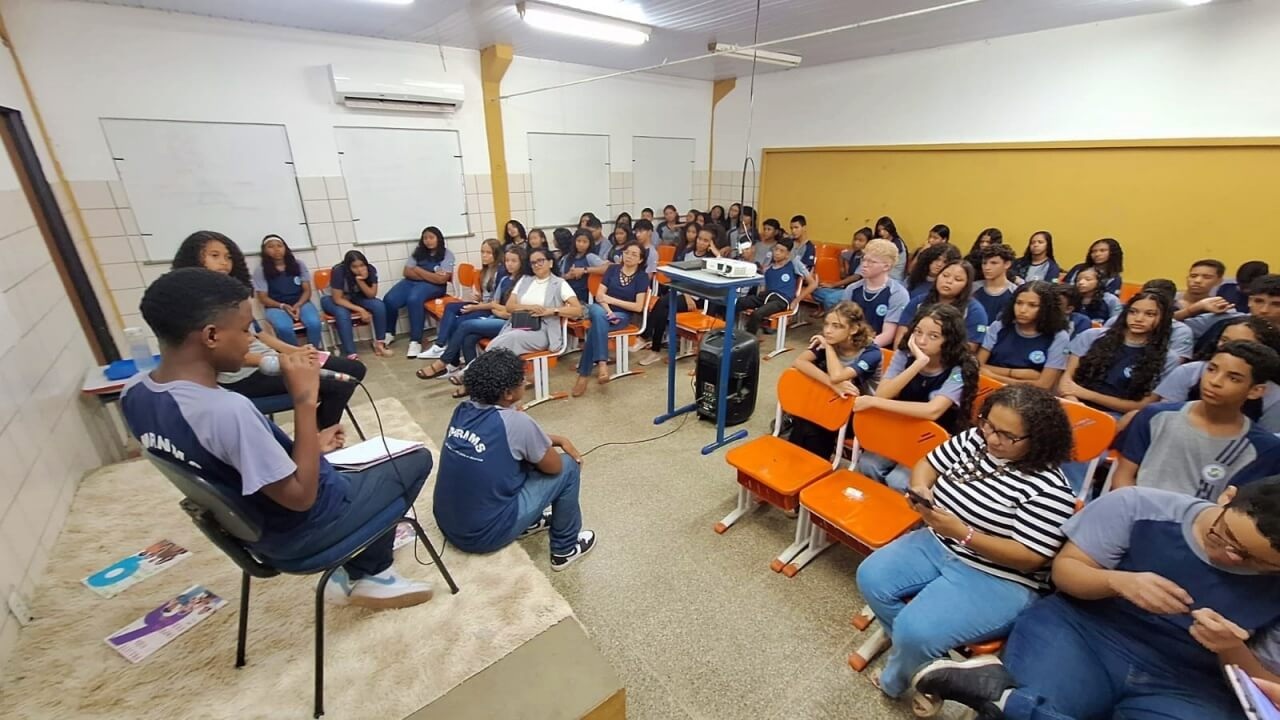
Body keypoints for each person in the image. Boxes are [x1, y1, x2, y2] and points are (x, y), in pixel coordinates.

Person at [123, 268, 433, 608]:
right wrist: (304, 401)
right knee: (413, 459)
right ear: (211, 336)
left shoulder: (134, 392)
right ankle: (372, 574)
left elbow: (227, 462)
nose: (250, 341)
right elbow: (301, 497)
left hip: (253, 529)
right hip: (303, 531)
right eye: (244, 330)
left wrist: (312, 442)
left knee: (360, 464)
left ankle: (360, 565)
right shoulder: (226, 410)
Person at [914, 479, 1280, 720]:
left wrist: (1232, 649)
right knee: (1053, 695)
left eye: (1254, 560)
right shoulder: (1140, 506)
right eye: (1225, 536)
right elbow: (1065, 572)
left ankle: (1009, 701)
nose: (1230, 558)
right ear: (1226, 497)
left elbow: (1268, 688)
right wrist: (1116, 581)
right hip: (1083, 634)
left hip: (1188, 680)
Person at [856, 385, 1076, 706]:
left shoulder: (1051, 488)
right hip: (939, 541)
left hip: (999, 576)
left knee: (913, 630)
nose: (992, 439)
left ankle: (901, 678)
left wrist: (964, 533)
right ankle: (925, 660)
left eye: (1008, 436)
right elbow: (927, 464)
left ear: (1038, 440)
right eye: (988, 424)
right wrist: (920, 488)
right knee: (870, 578)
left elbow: (1030, 558)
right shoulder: (975, 439)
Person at [171, 231, 365, 445]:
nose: (224, 263)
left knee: (356, 369)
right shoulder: (196, 305)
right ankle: (317, 439)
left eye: (227, 257)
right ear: (194, 260)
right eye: (214, 256)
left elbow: (260, 335)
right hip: (245, 375)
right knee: (340, 385)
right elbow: (220, 356)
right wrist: (276, 362)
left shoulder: (233, 296)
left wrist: (295, 351)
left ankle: (321, 423)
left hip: (272, 359)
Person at [434, 349, 596, 571]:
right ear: (509, 393)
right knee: (568, 466)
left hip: (449, 524)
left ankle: (527, 522)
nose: (526, 382)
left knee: (518, 460)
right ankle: (565, 549)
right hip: (483, 535)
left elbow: (506, 445)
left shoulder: (462, 410)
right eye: (522, 380)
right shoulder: (517, 422)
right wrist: (552, 440)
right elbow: (554, 467)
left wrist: (555, 439)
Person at [1113, 341, 1280, 498]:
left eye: (1233, 378)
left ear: (1256, 391)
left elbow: (1239, 510)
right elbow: (1123, 476)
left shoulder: (1264, 448)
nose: (1214, 382)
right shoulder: (1155, 416)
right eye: (1212, 369)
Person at [852, 304, 979, 490]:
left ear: (950, 339)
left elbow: (932, 411)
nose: (921, 341)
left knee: (899, 480)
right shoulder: (905, 354)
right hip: (901, 428)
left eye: (933, 336)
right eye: (918, 332)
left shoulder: (961, 367)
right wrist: (917, 364)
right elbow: (883, 394)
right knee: (868, 464)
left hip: (935, 438)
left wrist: (874, 401)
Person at [446, 246, 584, 400]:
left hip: (542, 331)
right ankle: (477, 383)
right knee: (502, 347)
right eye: (533, 262)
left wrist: (552, 311)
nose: (537, 265)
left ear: (550, 263)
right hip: (518, 324)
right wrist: (527, 307)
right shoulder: (525, 280)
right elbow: (510, 307)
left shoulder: (559, 283)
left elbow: (577, 310)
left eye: (541, 261)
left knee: (507, 341)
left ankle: (469, 375)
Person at [786, 302, 882, 459]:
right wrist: (831, 384)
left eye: (837, 326)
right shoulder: (831, 340)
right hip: (832, 402)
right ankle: (796, 466)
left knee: (815, 426)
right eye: (827, 324)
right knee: (805, 420)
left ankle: (812, 468)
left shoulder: (871, 352)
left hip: (861, 414)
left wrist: (828, 348)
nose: (828, 331)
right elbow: (799, 362)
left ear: (853, 329)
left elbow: (837, 376)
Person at [1060, 290, 1179, 415]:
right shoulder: (1091, 336)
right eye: (1133, 312)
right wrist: (1076, 403)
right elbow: (1066, 380)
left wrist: (1088, 395)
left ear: (1163, 319)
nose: (1139, 319)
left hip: (1117, 415)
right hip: (1073, 402)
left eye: (1150, 314)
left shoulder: (1168, 358)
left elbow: (1142, 405)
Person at [1154, 316, 1280, 432]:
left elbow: (1270, 441)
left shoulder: (1275, 396)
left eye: (1242, 344)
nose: (1215, 382)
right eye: (1224, 340)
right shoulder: (1188, 372)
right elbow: (1164, 419)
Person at [416, 241, 521, 380]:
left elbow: (509, 310)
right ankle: (472, 376)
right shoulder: (505, 279)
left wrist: (491, 308)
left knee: (464, 324)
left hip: (508, 321)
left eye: (513, 261)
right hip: (495, 314)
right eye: (507, 260)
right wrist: (493, 307)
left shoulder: (521, 281)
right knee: (468, 336)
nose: (509, 264)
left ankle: (443, 361)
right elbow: (495, 304)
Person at [636, 226, 719, 366]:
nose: (701, 243)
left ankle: (647, 340)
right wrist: (686, 294)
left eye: (706, 241)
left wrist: (716, 251)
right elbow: (677, 275)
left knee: (662, 303)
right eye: (700, 239)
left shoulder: (711, 260)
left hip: (697, 299)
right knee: (662, 308)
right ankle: (654, 349)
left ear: (711, 243)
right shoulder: (686, 253)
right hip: (683, 293)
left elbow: (721, 269)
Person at [574, 244, 649, 396]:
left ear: (640, 260)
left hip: (622, 316)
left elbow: (638, 307)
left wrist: (611, 301)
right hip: (601, 309)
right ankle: (602, 364)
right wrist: (608, 311)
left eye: (634, 254)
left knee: (596, 329)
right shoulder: (613, 269)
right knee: (596, 311)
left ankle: (584, 375)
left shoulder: (642, 277)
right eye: (627, 252)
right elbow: (599, 296)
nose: (629, 256)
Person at [979, 281, 1071, 391]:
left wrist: (993, 375)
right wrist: (1018, 373)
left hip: (1028, 396)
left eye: (1032, 305)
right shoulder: (1000, 326)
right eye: (1019, 303)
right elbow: (978, 366)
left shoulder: (1059, 336)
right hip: (987, 387)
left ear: (1047, 308)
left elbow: (1044, 385)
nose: (1022, 310)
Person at [383, 226, 456, 358]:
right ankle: (389, 333)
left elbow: (442, 279)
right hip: (412, 282)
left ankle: (415, 341)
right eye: (425, 238)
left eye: (431, 237)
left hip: (435, 287)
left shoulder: (447, 254)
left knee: (414, 299)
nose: (428, 241)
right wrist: (430, 274)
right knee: (389, 299)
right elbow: (406, 272)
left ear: (438, 239)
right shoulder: (418, 252)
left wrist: (418, 270)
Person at [896, 258, 989, 350]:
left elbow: (970, 347)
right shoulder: (919, 301)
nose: (949, 281)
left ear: (966, 285)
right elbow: (901, 336)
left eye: (958, 279)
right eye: (945, 275)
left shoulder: (975, 311)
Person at [253, 234, 322, 347]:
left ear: (285, 248)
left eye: (279, 246)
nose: (276, 250)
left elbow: (307, 291)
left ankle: (315, 352)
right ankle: (295, 355)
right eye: (271, 247)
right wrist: (282, 306)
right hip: (276, 306)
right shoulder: (261, 270)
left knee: (314, 323)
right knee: (283, 328)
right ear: (264, 251)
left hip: (301, 302)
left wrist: (299, 304)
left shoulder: (298, 265)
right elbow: (263, 298)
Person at [320, 249, 391, 359]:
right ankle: (351, 353)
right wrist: (361, 310)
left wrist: (360, 280)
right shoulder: (339, 271)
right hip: (332, 299)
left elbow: (371, 295)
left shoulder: (370, 269)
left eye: (362, 265)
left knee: (379, 305)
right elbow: (338, 299)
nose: (359, 269)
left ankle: (379, 344)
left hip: (355, 297)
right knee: (342, 313)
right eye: (354, 267)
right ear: (348, 267)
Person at [840, 239, 911, 347]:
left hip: (877, 349)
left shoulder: (897, 293)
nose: (864, 264)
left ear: (886, 266)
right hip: (849, 344)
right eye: (864, 259)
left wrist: (861, 347)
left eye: (872, 262)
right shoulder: (852, 289)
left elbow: (888, 335)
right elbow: (843, 322)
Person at [1184, 274, 1280, 352]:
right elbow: (1173, 326)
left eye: (1276, 304)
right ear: (1250, 301)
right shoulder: (1224, 319)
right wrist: (1193, 309)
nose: (1264, 310)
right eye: (1259, 301)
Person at [812, 227, 872, 309]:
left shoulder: (866, 257)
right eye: (855, 239)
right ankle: (836, 308)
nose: (856, 243)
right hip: (846, 288)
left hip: (856, 291)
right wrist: (842, 268)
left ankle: (836, 318)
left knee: (829, 299)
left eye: (860, 241)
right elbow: (842, 255)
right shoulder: (854, 253)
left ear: (868, 243)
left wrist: (833, 285)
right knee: (817, 291)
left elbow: (856, 277)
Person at [971, 244, 1019, 323]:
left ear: (1007, 264)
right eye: (984, 263)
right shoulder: (972, 288)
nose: (987, 268)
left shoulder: (1015, 292)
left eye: (993, 263)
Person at [558, 229, 607, 303]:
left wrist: (584, 270)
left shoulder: (590, 257)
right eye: (578, 241)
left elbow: (606, 269)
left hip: (584, 298)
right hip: (567, 296)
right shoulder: (566, 258)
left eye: (585, 242)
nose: (581, 244)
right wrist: (568, 276)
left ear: (590, 243)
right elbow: (558, 278)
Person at [875, 215, 909, 281]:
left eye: (884, 230)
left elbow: (883, 262)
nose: (881, 233)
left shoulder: (897, 243)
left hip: (894, 277)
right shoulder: (883, 242)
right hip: (884, 275)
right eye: (879, 231)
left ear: (890, 229)